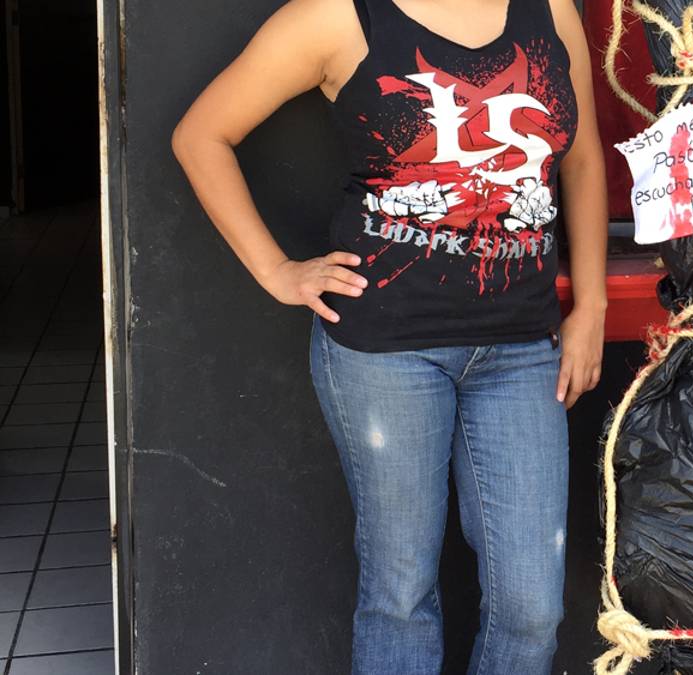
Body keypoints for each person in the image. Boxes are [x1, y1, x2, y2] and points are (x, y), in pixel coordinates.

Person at [170, 0, 608, 672]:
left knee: (532, 607)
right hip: (385, 353)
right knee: (401, 595)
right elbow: (201, 134)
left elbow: (580, 161)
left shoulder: (551, 10)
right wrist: (276, 270)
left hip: (522, 347)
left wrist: (592, 305)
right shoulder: (337, 17)